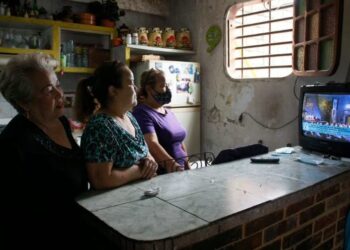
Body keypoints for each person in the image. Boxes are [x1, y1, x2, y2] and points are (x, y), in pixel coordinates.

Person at [0, 53, 92, 248]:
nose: (60, 94)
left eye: (57, 84)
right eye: (49, 90)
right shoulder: (12, 144)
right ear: (24, 102)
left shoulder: (60, 122)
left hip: (79, 230)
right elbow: (11, 218)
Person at [74, 61, 158, 190]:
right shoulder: (100, 126)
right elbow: (101, 179)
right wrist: (140, 171)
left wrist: (149, 161)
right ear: (113, 91)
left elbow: (144, 153)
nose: (135, 88)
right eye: (130, 83)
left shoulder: (129, 117)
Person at [133, 69, 189, 173]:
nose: (166, 89)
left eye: (166, 85)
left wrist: (187, 164)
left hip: (181, 170)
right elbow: (152, 144)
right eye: (162, 86)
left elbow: (179, 140)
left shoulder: (169, 112)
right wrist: (173, 166)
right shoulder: (142, 112)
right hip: (166, 173)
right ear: (149, 89)